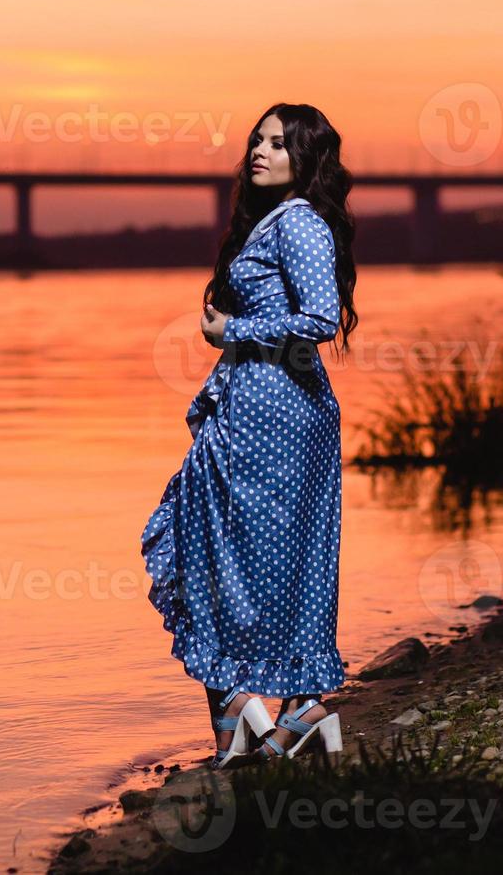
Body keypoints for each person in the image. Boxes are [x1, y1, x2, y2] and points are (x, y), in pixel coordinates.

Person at [140, 102, 360, 766]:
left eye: (279, 144)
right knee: (248, 555)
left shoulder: (298, 224)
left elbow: (321, 318)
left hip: (276, 415)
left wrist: (228, 331)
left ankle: (247, 712)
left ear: (307, 158)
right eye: (257, 140)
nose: (259, 152)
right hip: (262, 407)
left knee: (218, 555)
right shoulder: (277, 221)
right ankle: (294, 711)